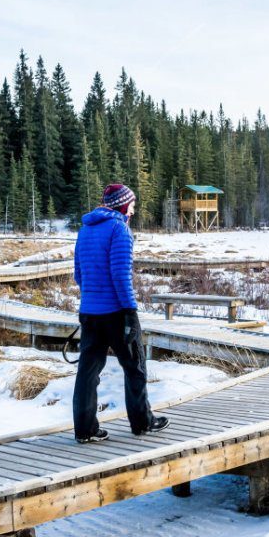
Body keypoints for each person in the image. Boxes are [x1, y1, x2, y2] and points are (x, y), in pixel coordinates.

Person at [72, 183, 170, 443]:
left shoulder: (85, 230)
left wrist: (93, 297)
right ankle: (142, 423)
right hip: (116, 313)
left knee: (88, 372)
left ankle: (85, 430)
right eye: (133, 204)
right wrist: (130, 310)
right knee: (135, 366)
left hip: (89, 313)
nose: (134, 210)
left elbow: (78, 275)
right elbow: (120, 275)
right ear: (123, 205)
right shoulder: (120, 229)